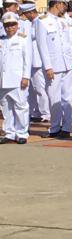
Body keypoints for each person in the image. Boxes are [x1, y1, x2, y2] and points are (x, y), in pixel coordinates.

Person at [36, 0, 72, 139]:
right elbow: (42, 46)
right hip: (53, 66)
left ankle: (66, 128)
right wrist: (48, 66)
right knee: (54, 98)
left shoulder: (63, 21)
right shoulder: (42, 21)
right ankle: (54, 128)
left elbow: (68, 44)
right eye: (64, 4)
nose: (65, 8)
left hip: (67, 64)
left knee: (68, 97)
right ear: (58, 4)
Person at [0, 12, 32, 144]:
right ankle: (9, 133)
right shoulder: (1, 40)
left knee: (21, 107)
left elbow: (27, 60)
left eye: (12, 24)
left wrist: (26, 77)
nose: (10, 27)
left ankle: (22, 133)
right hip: (3, 80)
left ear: (17, 25)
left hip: (18, 79)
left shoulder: (23, 39)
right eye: (7, 25)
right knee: (6, 107)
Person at [19, 3, 51, 123]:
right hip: (31, 61)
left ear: (30, 12)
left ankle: (46, 113)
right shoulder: (31, 23)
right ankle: (36, 112)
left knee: (40, 89)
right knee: (32, 90)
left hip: (38, 60)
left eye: (26, 14)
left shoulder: (40, 21)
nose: (25, 16)